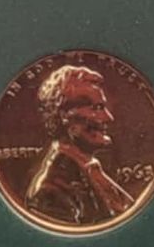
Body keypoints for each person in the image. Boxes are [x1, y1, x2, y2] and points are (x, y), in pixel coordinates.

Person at [24, 65, 135, 227]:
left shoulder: (91, 170)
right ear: (64, 116)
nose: (108, 117)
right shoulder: (50, 191)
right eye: (97, 108)